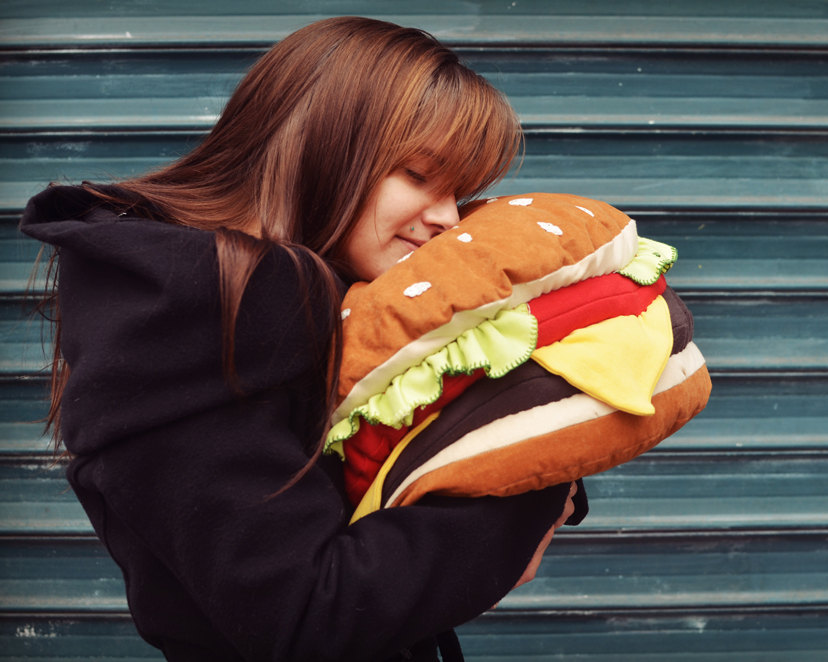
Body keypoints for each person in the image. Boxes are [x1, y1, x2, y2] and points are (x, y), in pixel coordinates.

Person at [20, 16, 583, 662]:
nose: (448, 218)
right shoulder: (186, 317)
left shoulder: (314, 293)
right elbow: (310, 613)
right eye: (418, 174)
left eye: (460, 190)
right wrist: (526, 506)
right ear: (320, 146)